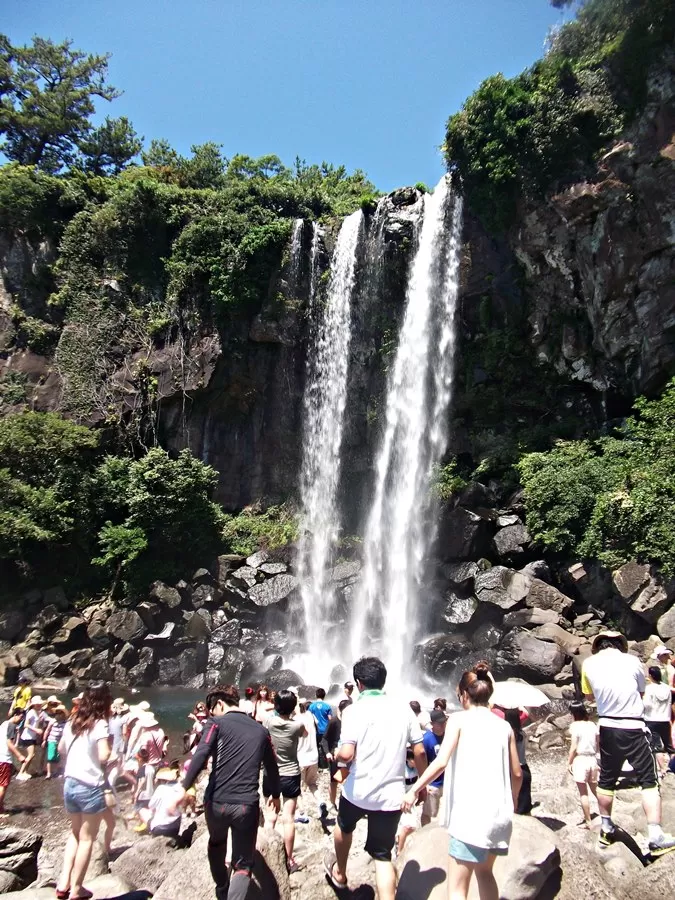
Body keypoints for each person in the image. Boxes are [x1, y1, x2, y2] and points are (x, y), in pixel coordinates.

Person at [403, 663, 522, 900]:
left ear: (464, 694)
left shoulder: (458, 721)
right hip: (499, 815)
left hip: (469, 817)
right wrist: (514, 801)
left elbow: (440, 762)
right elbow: (517, 773)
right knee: (486, 874)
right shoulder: (505, 726)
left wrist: (414, 789)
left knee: (458, 887)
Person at [324, 657, 427, 900]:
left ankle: (340, 872)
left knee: (343, 826)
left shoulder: (353, 710)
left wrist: (337, 752)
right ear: (383, 681)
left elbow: (347, 753)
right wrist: (421, 784)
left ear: (359, 683)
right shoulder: (404, 709)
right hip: (391, 795)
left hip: (358, 791)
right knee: (383, 855)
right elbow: (420, 751)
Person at [176, 684, 281, 900]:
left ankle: (222, 887)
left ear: (220, 704)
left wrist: (185, 785)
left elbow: (202, 752)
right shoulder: (261, 731)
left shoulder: (215, 723)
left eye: (211, 708)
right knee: (243, 865)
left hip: (215, 801)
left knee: (216, 843)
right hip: (245, 804)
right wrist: (276, 795)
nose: (211, 713)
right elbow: (272, 767)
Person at [581, 631, 675, 855]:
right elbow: (641, 691)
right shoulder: (633, 661)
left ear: (598, 645)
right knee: (648, 780)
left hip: (607, 727)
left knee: (607, 779)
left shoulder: (588, 663)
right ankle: (655, 835)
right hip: (633, 726)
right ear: (620, 645)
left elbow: (588, 697)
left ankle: (606, 827)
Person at [56, 682, 112, 900]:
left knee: (75, 833)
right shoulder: (100, 724)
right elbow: (104, 755)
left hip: (69, 782)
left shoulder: (73, 720)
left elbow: (61, 748)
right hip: (89, 785)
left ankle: (63, 883)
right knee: (87, 838)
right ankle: (77, 888)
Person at [263, 689, 306, 873]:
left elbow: (266, 715)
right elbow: (305, 734)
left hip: (270, 774)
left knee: (270, 816)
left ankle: (267, 858)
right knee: (288, 819)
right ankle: (289, 860)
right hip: (290, 774)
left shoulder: (269, 722)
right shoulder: (297, 726)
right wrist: (294, 711)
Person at [567, 701, 599, 828]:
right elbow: (598, 743)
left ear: (574, 713)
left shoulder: (575, 726)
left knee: (583, 793)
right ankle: (606, 815)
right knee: (596, 790)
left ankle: (588, 821)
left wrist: (569, 762)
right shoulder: (592, 724)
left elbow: (574, 747)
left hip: (581, 759)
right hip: (592, 759)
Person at [135, 765, 185, 838]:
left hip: (160, 828)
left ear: (162, 780)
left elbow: (151, 806)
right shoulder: (180, 788)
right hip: (176, 827)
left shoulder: (160, 788)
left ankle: (150, 831)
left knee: (142, 810)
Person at [644, 665, 675, 774]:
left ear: (651, 676)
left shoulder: (649, 688)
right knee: (669, 745)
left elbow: (646, 705)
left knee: (656, 746)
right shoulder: (666, 688)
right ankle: (673, 766)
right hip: (665, 719)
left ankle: (663, 769)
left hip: (652, 719)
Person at [324, 698, 352, 815]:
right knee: (334, 780)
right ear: (340, 711)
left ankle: (348, 804)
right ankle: (332, 803)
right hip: (335, 755)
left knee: (348, 779)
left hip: (349, 755)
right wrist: (327, 752)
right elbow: (324, 739)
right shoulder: (334, 722)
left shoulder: (353, 723)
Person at [503, 708, 532, 815]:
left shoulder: (509, 736)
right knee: (526, 802)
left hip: (513, 770)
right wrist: (520, 707)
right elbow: (526, 714)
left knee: (513, 802)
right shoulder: (523, 733)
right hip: (525, 768)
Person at [421, 709, 446, 825]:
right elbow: (421, 762)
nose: (442, 725)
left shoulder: (449, 736)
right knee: (428, 812)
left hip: (448, 781)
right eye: (439, 723)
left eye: (444, 722)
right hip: (433, 783)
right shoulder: (426, 739)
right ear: (432, 724)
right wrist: (424, 784)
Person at [296, 701, 320, 818]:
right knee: (312, 784)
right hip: (314, 757)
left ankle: (301, 812)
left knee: (298, 787)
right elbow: (318, 723)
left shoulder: (295, 720)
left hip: (300, 757)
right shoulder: (311, 716)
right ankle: (321, 801)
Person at [0, 710, 26, 816]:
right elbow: (9, 743)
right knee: (3, 785)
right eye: (20, 717)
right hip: (5, 759)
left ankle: (1, 807)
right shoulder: (11, 726)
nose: (21, 720)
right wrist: (19, 756)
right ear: (15, 715)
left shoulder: (4, 724)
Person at [16, 695, 45, 780]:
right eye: (37, 704)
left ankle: (25, 772)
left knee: (32, 755)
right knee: (31, 755)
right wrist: (36, 730)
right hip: (27, 737)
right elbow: (26, 725)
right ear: (33, 705)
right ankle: (20, 773)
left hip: (32, 737)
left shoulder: (37, 712)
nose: (39, 705)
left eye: (40, 704)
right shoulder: (31, 712)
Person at [44, 704, 68, 779]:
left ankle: (56, 771)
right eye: (57, 713)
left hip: (60, 741)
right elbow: (47, 730)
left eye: (60, 713)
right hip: (52, 740)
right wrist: (44, 740)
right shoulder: (53, 721)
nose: (58, 714)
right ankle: (48, 773)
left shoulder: (65, 723)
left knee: (58, 757)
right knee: (50, 757)